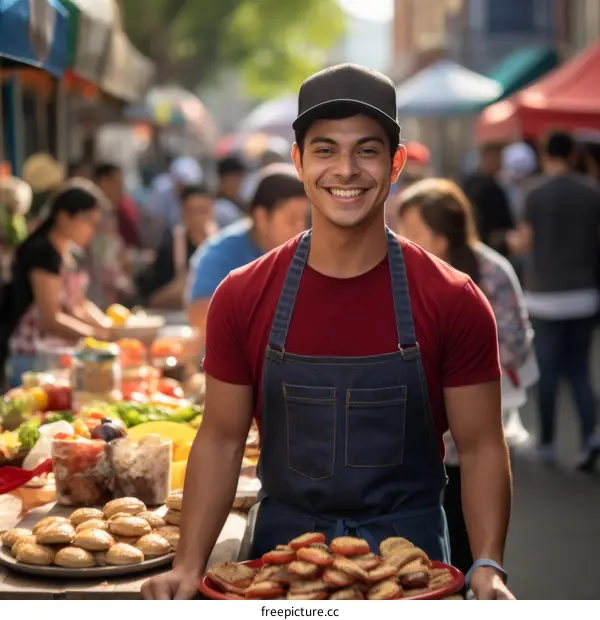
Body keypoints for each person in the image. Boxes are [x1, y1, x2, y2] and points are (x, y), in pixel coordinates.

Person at [142, 63, 514, 601]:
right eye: (324, 150)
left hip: (413, 574)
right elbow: (221, 438)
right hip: (280, 571)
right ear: (297, 161)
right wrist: (187, 564)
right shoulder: (242, 296)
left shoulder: (453, 300)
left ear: (396, 164)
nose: (346, 170)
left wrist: (486, 564)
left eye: (367, 150)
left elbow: (481, 446)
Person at [395, 177, 534, 574]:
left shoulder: (491, 271)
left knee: (464, 537)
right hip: (418, 438)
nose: (404, 237)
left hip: (470, 432)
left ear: (444, 234)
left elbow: (515, 343)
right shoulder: (403, 270)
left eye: (414, 230)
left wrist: (455, 360)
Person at [512, 131, 600, 471]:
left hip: (544, 296)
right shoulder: (592, 191)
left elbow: (524, 242)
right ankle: (590, 435)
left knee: (547, 371)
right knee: (579, 369)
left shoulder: (532, 192)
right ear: (574, 153)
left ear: (546, 154)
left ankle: (547, 442)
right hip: (584, 293)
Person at [0, 180, 110, 386]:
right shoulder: (42, 253)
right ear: (63, 217)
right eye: (88, 221)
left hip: (59, 356)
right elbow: (51, 317)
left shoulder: (70, 253)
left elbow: (78, 304)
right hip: (33, 357)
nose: (91, 230)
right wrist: (97, 335)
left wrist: (108, 327)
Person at [186, 164, 309, 339]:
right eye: (292, 220)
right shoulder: (219, 254)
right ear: (261, 217)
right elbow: (199, 316)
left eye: (304, 219)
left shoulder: (308, 250)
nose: (301, 229)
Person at [138, 185, 216, 310]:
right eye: (193, 212)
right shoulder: (170, 244)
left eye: (204, 211)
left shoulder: (225, 245)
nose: (199, 218)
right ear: (183, 212)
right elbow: (154, 299)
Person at [462, 143, 515, 256]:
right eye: (498, 157)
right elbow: (506, 225)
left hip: (467, 245)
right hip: (490, 249)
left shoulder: (468, 183)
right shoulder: (493, 188)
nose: (501, 161)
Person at [94, 163, 141, 249]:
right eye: (116, 183)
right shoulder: (92, 210)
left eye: (121, 183)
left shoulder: (117, 210)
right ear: (103, 182)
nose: (120, 188)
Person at [213, 156, 248, 229]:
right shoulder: (220, 207)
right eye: (236, 177)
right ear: (223, 179)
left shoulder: (238, 200)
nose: (240, 182)